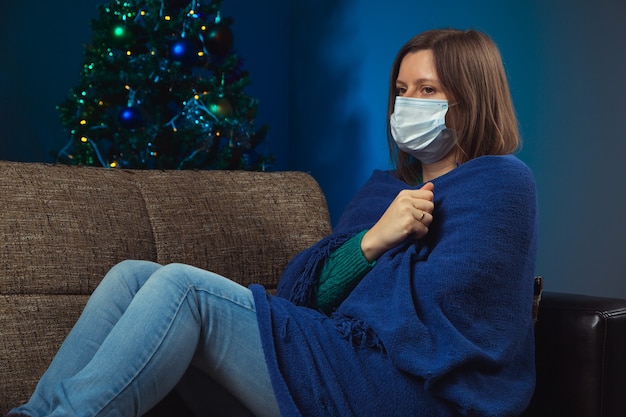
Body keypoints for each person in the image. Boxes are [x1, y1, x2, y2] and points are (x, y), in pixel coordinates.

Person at [6, 28, 538, 417]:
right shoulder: (383, 193)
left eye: (427, 90)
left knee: (182, 289)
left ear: (470, 100)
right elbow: (311, 299)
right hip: (336, 356)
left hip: (408, 390)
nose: (407, 103)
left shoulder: (502, 185)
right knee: (129, 275)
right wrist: (376, 240)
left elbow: (453, 311)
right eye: (401, 89)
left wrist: (379, 260)